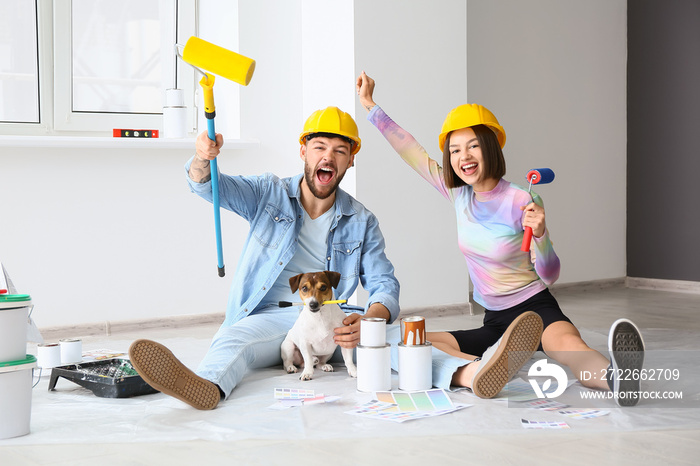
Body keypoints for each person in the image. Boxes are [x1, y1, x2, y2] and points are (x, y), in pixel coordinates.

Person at [357, 72, 645, 406]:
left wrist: (541, 234)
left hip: (535, 308)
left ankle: (620, 378)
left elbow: (550, 274)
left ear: (490, 146)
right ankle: (481, 369)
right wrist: (370, 105)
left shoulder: (522, 200)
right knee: (413, 341)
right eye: (455, 150)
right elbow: (411, 149)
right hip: (496, 321)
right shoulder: (458, 195)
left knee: (571, 349)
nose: (463, 157)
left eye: (473, 146)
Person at [129, 107, 400, 410]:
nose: (328, 157)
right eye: (319, 147)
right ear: (303, 151)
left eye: (340, 151)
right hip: (269, 316)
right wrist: (203, 158)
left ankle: (463, 374)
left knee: (400, 341)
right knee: (234, 340)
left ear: (350, 160)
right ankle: (206, 386)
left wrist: (369, 320)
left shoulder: (362, 220)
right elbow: (206, 185)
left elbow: (384, 284)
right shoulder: (269, 193)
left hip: (331, 320)